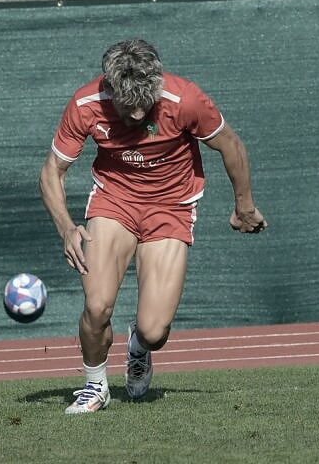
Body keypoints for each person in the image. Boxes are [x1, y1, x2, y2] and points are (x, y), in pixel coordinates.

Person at [40, 39, 267, 414]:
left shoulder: (185, 99)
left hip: (171, 208)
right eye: (129, 105)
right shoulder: (85, 105)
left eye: (147, 101)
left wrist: (244, 205)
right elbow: (52, 171)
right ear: (110, 89)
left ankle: (138, 348)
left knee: (154, 331)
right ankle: (95, 386)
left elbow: (231, 146)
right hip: (115, 203)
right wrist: (66, 227)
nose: (140, 112)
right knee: (96, 307)